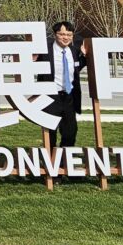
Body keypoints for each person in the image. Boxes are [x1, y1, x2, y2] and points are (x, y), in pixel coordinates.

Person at [37, 21, 87, 152]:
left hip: (69, 97)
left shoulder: (74, 51)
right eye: (62, 34)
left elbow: (76, 68)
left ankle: (65, 158)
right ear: (55, 35)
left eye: (69, 35)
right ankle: (50, 159)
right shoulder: (45, 51)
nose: (66, 37)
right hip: (51, 96)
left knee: (70, 131)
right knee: (50, 132)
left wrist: (84, 57)